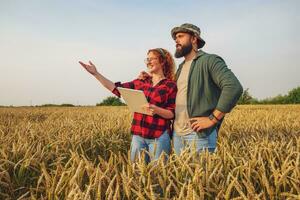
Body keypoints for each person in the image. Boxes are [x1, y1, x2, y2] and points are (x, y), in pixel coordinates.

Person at [140, 23, 243, 155]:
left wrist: (213, 119)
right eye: (175, 38)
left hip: (198, 135)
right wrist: (149, 77)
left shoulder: (210, 61)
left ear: (194, 39)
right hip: (178, 134)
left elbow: (233, 87)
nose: (176, 40)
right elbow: (169, 90)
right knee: (182, 176)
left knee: (200, 175)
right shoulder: (181, 67)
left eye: (180, 36)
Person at [79, 48, 177, 163]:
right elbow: (115, 89)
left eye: (152, 59)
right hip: (138, 136)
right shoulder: (141, 81)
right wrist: (96, 73)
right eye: (147, 59)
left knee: (159, 173)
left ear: (162, 61)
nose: (148, 62)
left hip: (159, 137)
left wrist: (156, 110)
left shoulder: (170, 85)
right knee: (135, 172)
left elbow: (172, 113)